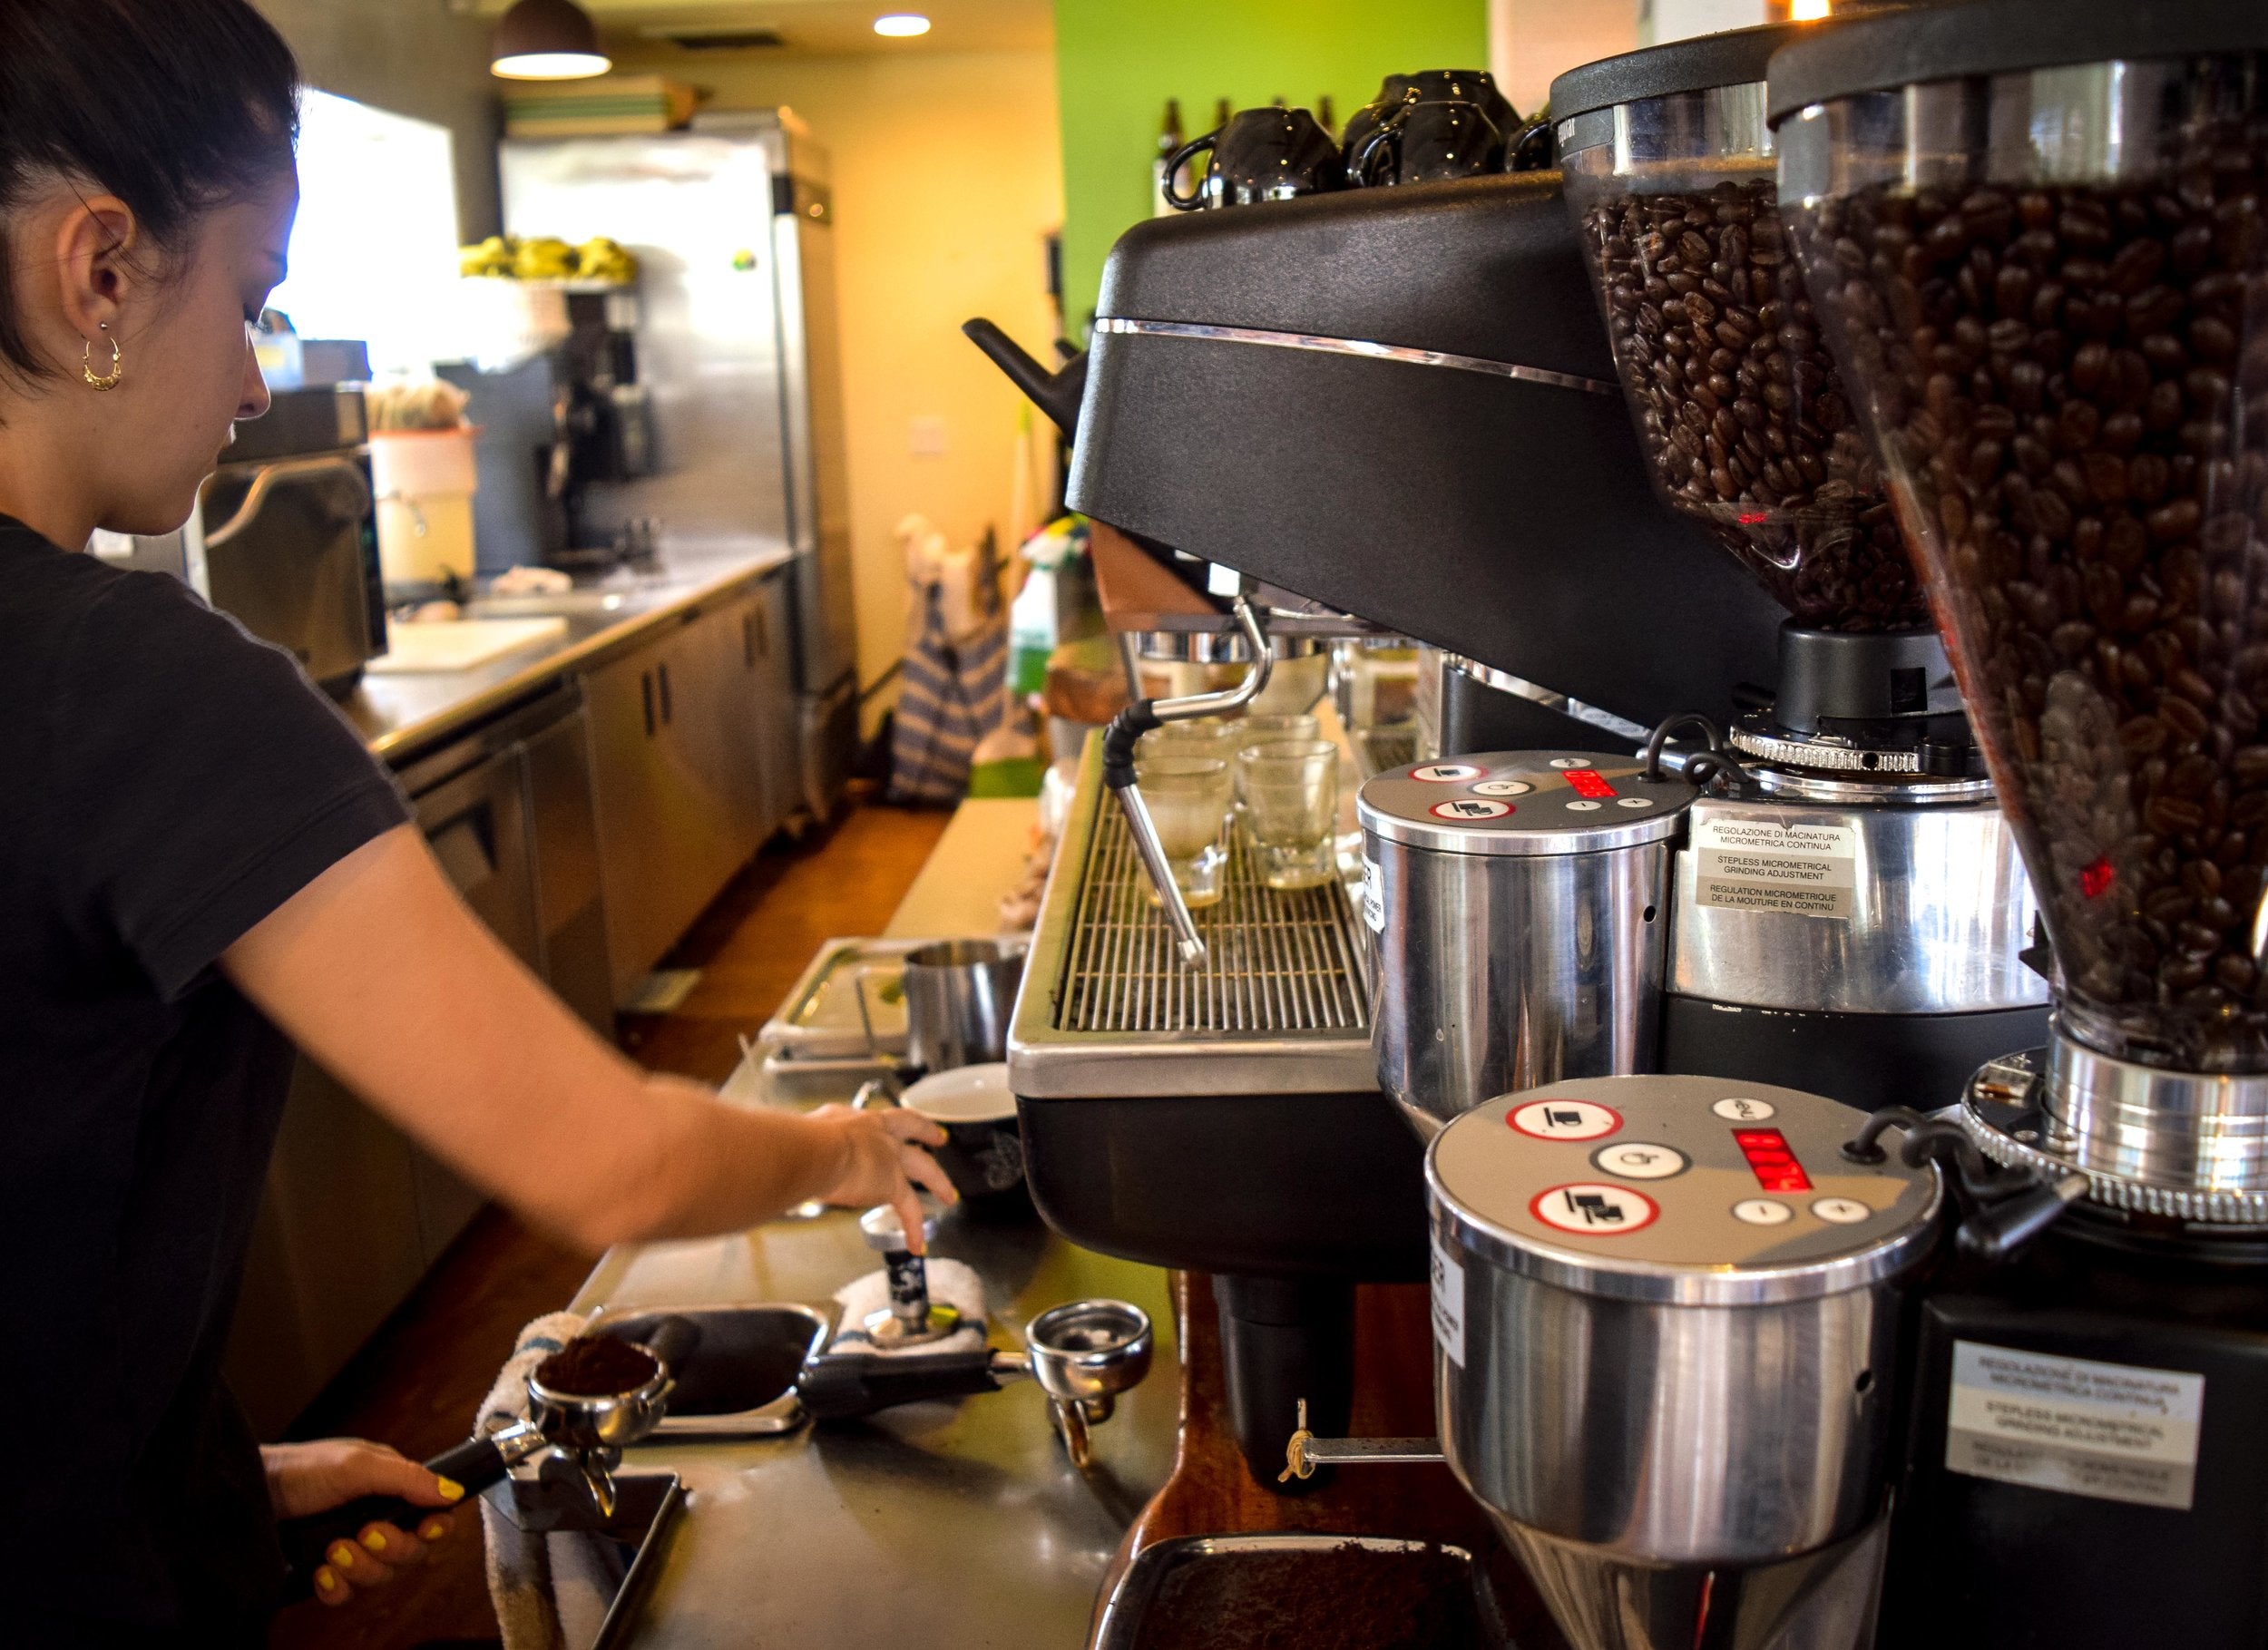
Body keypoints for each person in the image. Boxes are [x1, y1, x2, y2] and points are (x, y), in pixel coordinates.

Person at [0, 1, 955, 1639]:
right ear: (98, 274)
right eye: (249, 300)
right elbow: (613, 1162)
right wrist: (852, 1149)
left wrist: (207, 1471)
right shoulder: (137, 689)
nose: (249, 378)